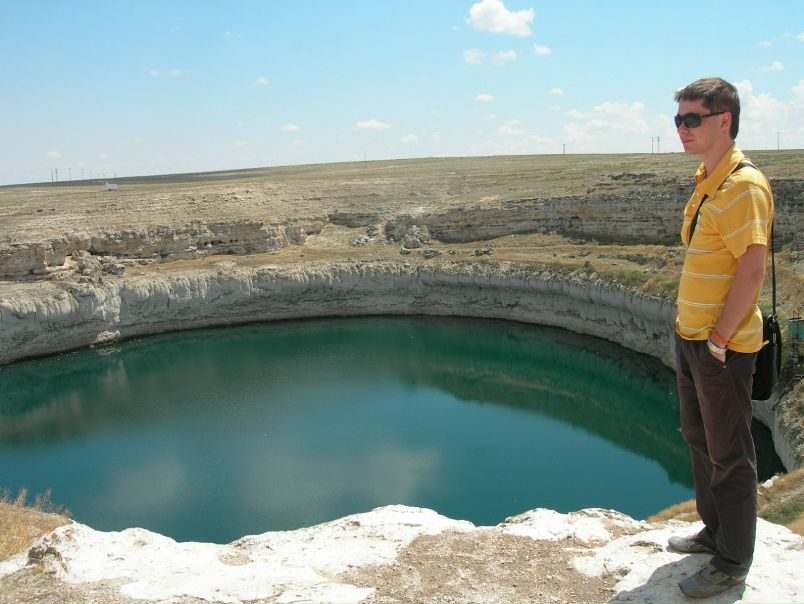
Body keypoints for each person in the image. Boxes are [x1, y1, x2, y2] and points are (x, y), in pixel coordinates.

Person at [669, 77, 774, 598]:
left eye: (692, 119)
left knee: (731, 454)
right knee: (699, 438)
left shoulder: (743, 185)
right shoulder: (709, 178)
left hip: (722, 347)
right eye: (678, 120)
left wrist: (719, 340)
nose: (682, 129)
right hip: (692, 337)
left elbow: (752, 271)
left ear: (724, 120)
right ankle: (715, 532)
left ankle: (732, 563)